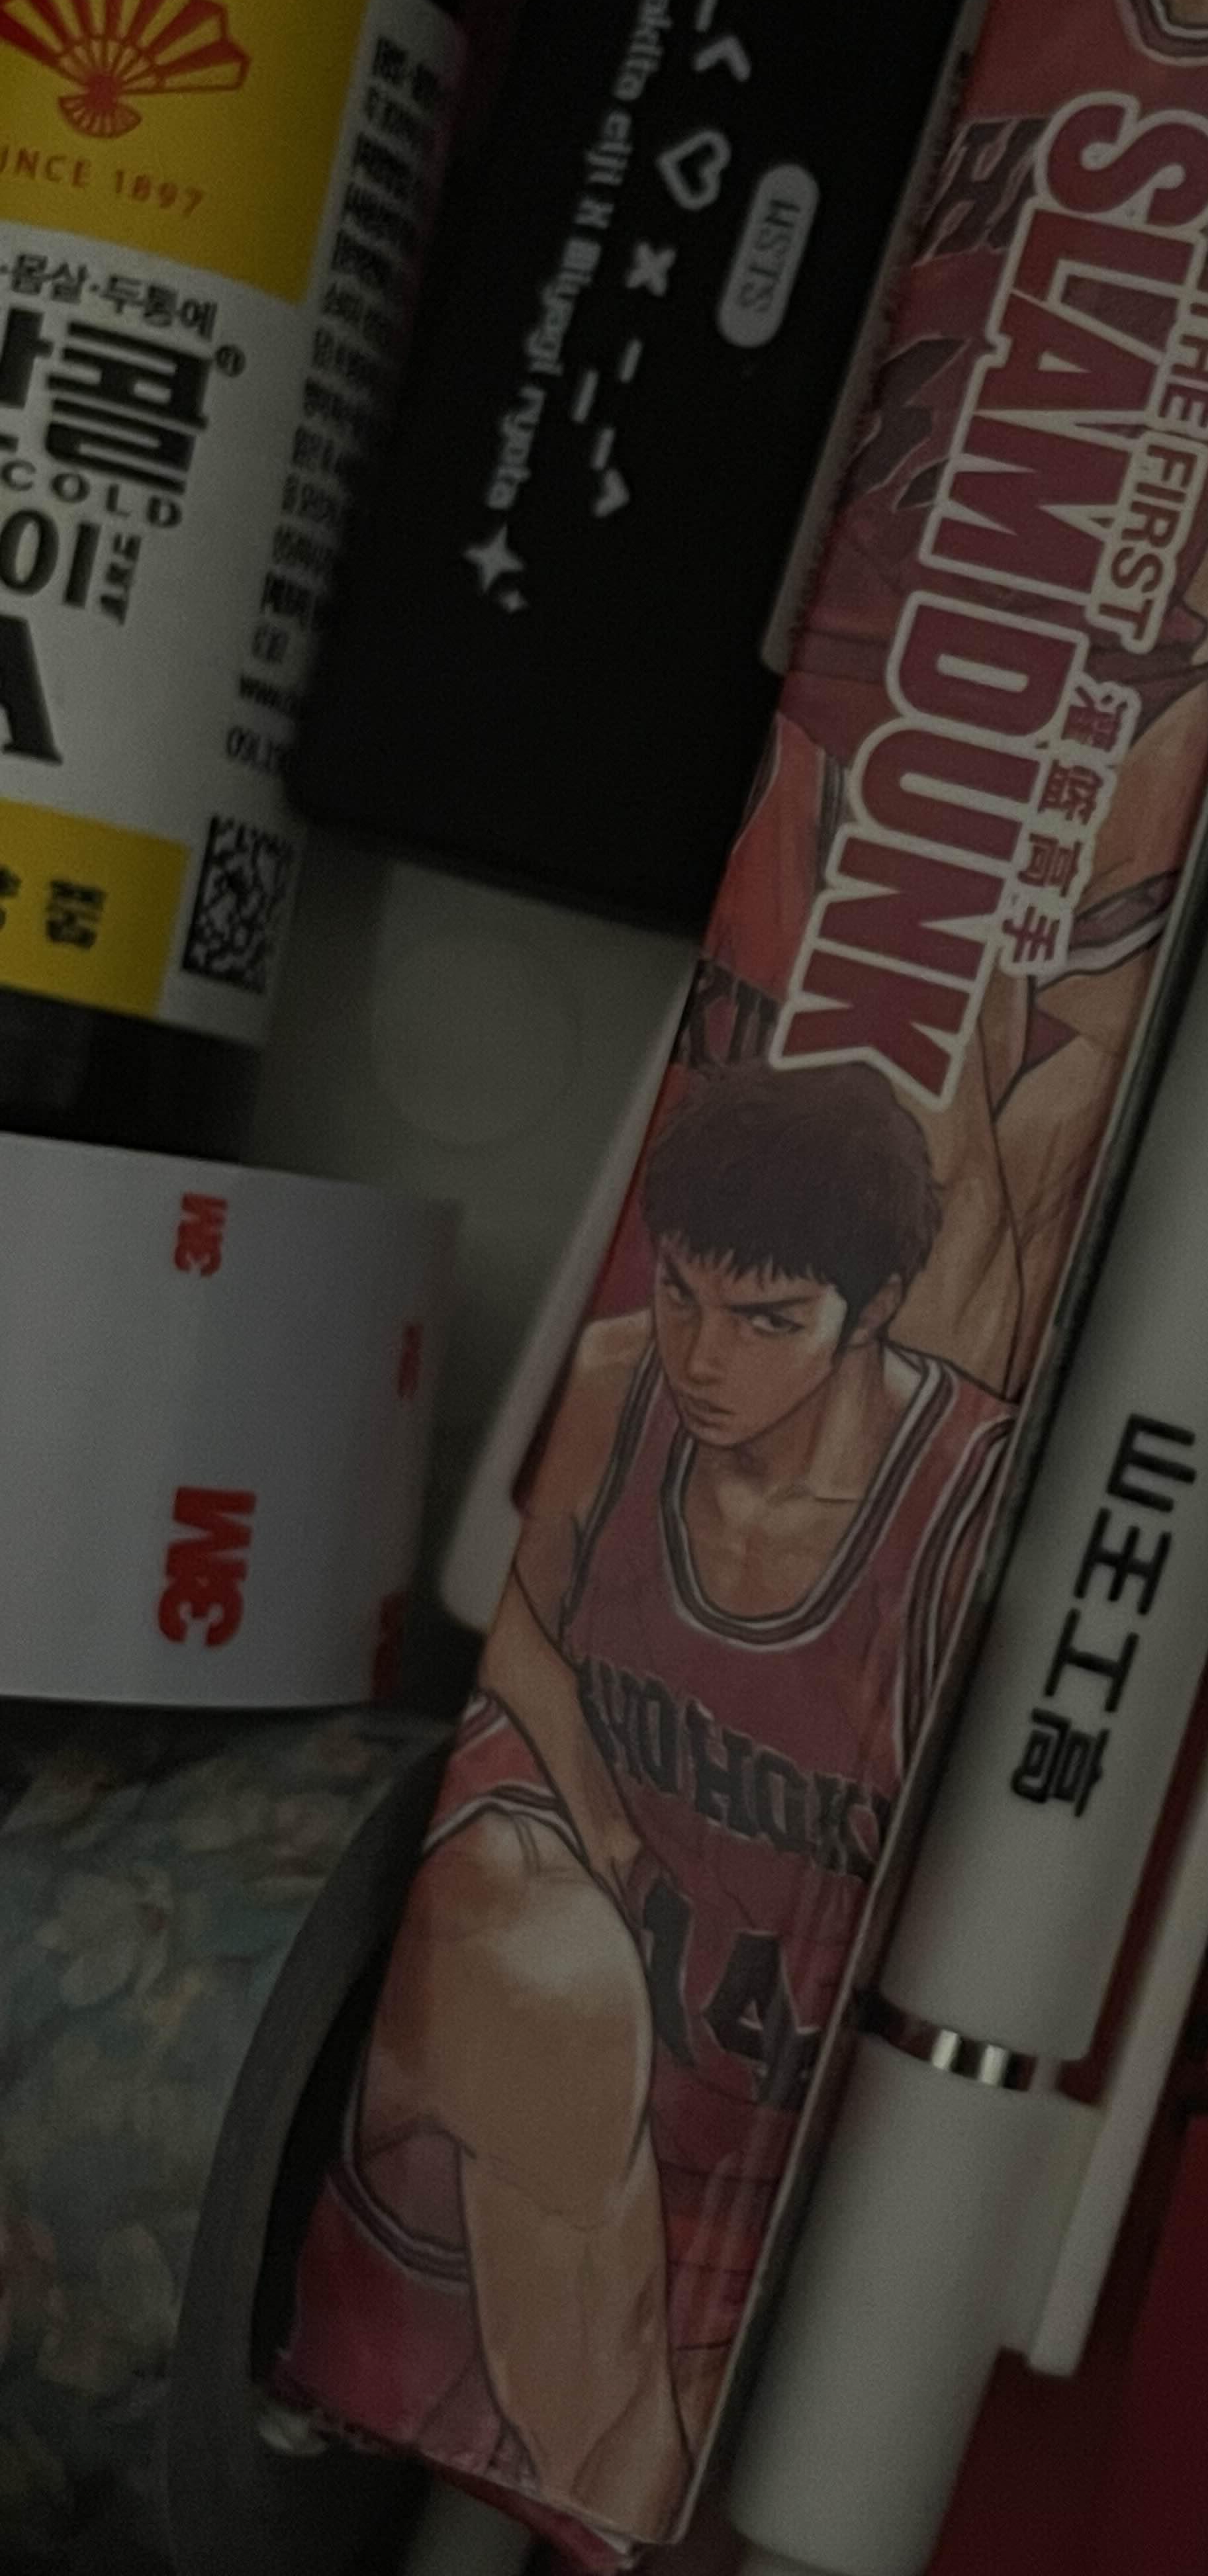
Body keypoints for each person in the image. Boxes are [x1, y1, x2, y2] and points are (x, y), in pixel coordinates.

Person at [283, 1061, 1012, 2542]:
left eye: (767, 1322)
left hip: (745, 2175)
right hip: (521, 2065)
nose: (705, 1355)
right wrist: (605, 1834)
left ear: (874, 1311)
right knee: (541, 1955)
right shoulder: (623, 1385)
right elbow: (525, 1635)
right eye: (684, 1293)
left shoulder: (960, 1493)